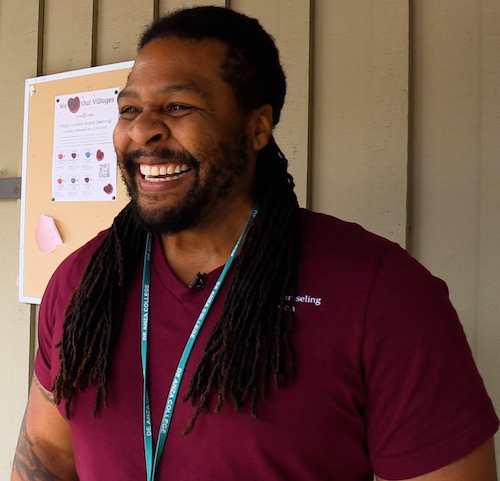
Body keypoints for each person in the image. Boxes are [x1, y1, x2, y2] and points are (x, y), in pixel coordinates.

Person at [11, 6, 498, 481]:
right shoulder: (82, 281)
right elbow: (48, 453)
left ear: (258, 126)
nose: (142, 129)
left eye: (178, 106)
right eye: (130, 109)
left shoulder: (381, 291)